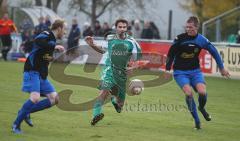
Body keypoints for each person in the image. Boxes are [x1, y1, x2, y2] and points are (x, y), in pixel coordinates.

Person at [164, 16, 230, 130]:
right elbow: (171, 53)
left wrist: (222, 68)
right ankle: (197, 121)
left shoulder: (202, 40)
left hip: (195, 71)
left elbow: (214, 52)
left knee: (202, 92)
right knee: (188, 93)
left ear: (197, 27)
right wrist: (167, 68)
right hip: (180, 72)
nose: (188, 29)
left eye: (190, 27)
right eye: (187, 27)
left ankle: (202, 108)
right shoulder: (179, 38)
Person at [12, 19, 66, 134]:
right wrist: (55, 46)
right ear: (59, 28)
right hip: (32, 70)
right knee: (35, 98)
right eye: (64, 29)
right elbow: (38, 40)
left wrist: (52, 58)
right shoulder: (46, 34)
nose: (65, 32)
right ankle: (16, 125)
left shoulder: (52, 39)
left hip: (41, 74)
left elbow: (44, 56)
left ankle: (25, 112)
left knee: (54, 99)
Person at [85, 18, 142, 126]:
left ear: (127, 28)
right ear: (116, 28)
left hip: (122, 73)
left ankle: (115, 101)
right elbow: (103, 50)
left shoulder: (131, 42)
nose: (122, 29)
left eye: (124, 27)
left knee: (120, 105)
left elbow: (138, 58)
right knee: (104, 91)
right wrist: (92, 45)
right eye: (120, 27)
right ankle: (96, 115)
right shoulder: (110, 39)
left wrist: (132, 67)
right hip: (109, 69)